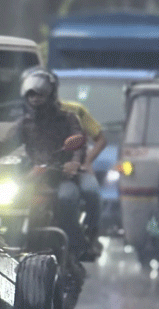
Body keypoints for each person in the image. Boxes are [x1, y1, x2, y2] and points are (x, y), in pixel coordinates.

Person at [8, 67, 89, 260]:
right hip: (34, 176)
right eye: (31, 94)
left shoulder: (67, 118)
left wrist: (74, 163)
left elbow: (78, 143)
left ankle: (75, 247)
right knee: (7, 201)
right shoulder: (24, 123)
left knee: (67, 199)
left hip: (61, 176)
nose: (35, 98)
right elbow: (5, 145)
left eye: (40, 94)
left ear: (51, 94)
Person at [57, 98, 106, 258]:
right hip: (48, 170)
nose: (37, 98)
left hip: (76, 169)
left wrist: (86, 161)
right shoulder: (31, 114)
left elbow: (100, 139)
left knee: (91, 192)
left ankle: (90, 237)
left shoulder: (75, 111)